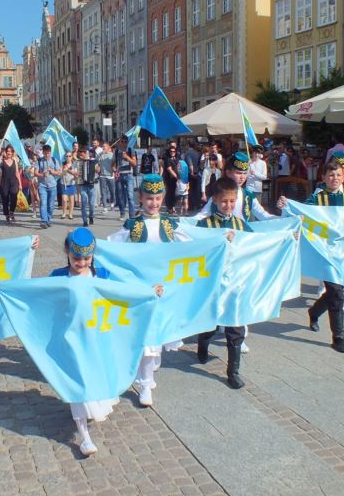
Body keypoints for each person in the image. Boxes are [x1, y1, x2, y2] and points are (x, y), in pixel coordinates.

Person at [0, 227, 140, 457]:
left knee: (94, 380)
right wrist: (5, 287)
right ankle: (84, 436)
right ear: (67, 253)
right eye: (76, 257)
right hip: (70, 341)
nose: (81, 263)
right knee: (77, 385)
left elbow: (124, 292)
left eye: (87, 258)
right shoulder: (58, 277)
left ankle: (90, 412)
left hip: (96, 339)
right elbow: (34, 293)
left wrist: (149, 292)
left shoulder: (102, 276)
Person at [107, 174, 191, 408]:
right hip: (142, 291)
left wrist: (220, 240)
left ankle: (148, 372)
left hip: (164, 291)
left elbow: (193, 245)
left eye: (157, 198)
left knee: (158, 339)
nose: (153, 203)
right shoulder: (133, 226)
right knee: (148, 340)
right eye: (149, 198)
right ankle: (145, 384)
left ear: (162, 198)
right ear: (141, 198)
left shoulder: (169, 224)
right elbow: (110, 245)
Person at [278, 161, 344, 353]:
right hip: (323, 252)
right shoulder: (317, 199)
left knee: (334, 291)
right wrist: (286, 206)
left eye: (338, 175)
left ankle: (314, 312)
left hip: (343, 252)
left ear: (343, 177)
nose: (334, 178)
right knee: (337, 293)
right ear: (323, 178)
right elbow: (301, 213)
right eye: (330, 175)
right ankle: (339, 336)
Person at [195, 175, 251, 389]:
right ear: (215, 201)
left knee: (235, 328)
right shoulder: (205, 224)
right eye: (224, 201)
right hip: (213, 285)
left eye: (232, 201)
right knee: (211, 323)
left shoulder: (240, 224)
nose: (228, 206)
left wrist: (286, 236)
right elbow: (195, 248)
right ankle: (204, 341)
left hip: (235, 285)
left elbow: (258, 243)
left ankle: (233, 371)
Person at [36, 144, 61, 229]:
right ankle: (43, 220)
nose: (47, 155)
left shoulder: (54, 160)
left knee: (50, 205)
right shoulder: (39, 161)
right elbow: (35, 173)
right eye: (45, 153)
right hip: (42, 185)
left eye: (49, 153)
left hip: (52, 186)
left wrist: (52, 171)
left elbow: (59, 172)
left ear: (51, 152)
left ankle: (49, 219)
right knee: (43, 203)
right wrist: (42, 174)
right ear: (43, 152)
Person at [113, 136, 138, 221]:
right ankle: (122, 213)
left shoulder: (131, 150)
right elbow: (112, 164)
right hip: (119, 175)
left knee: (130, 196)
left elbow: (135, 164)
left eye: (125, 142)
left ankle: (132, 215)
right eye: (122, 142)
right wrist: (114, 170)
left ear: (127, 142)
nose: (123, 143)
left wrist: (127, 157)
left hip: (129, 175)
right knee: (120, 196)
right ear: (120, 142)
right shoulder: (116, 151)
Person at [0, 146, 21, 224]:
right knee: (5, 200)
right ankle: (7, 214)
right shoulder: (2, 161)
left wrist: (20, 184)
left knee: (14, 198)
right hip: (4, 183)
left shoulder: (15, 161)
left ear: (12, 153)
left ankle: (12, 213)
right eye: (8, 151)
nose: (9, 153)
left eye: (10, 151)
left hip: (14, 182)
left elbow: (17, 172)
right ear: (5, 152)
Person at [76, 146, 99, 227]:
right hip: (83, 185)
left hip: (92, 185)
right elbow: (77, 174)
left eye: (81, 155)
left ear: (85, 153)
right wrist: (77, 175)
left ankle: (91, 216)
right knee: (84, 203)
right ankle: (85, 221)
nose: (80, 156)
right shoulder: (79, 163)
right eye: (79, 155)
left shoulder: (92, 161)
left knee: (92, 205)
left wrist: (97, 168)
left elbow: (98, 170)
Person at [161, 142, 181, 213]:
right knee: (170, 193)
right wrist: (177, 176)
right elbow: (169, 169)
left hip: (176, 179)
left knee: (175, 193)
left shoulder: (177, 157)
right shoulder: (167, 158)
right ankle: (169, 207)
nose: (172, 152)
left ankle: (173, 207)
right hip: (169, 178)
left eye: (173, 151)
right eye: (171, 151)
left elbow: (180, 166)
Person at [96, 140, 115, 214]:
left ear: (108, 147)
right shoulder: (100, 154)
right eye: (102, 146)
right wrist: (100, 154)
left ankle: (112, 204)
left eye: (104, 146)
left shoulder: (112, 155)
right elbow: (96, 160)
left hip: (110, 176)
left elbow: (115, 163)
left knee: (112, 192)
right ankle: (104, 207)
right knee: (103, 192)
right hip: (102, 176)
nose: (103, 147)